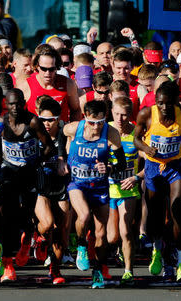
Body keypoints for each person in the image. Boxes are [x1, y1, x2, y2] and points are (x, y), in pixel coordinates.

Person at [134, 81, 181, 281]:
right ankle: (157, 250)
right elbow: (136, 138)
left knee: (178, 208)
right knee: (156, 214)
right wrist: (146, 148)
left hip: (175, 166)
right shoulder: (146, 114)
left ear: (176, 102)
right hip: (153, 168)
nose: (164, 107)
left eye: (168, 103)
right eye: (160, 103)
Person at [62, 100, 125, 288]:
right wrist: (60, 157)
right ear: (85, 117)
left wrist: (109, 168)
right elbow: (60, 133)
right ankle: (81, 244)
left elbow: (121, 163)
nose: (96, 127)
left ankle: (97, 271)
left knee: (101, 232)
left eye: (100, 122)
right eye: (92, 122)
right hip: (77, 183)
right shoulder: (74, 128)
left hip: (99, 186)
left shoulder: (111, 133)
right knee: (84, 215)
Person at [0, 88, 53, 282]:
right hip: (9, 173)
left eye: (18, 103)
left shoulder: (32, 121)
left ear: (24, 103)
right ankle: (7, 264)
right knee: (7, 217)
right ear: (6, 104)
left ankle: (30, 236)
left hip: (30, 172)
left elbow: (49, 146)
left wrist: (37, 161)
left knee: (29, 215)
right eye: (11, 104)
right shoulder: (1, 123)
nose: (15, 107)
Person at [106, 96, 142, 284]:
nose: (120, 119)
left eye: (125, 115)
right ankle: (118, 250)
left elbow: (150, 162)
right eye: (117, 114)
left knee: (125, 231)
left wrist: (136, 177)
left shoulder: (136, 133)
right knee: (112, 237)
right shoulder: (105, 130)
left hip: (128, 190)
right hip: (109, 189)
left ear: (131, 115)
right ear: (111, 112)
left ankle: (129, 270)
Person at [34, 97, 70, 284]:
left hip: (60, 186)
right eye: (43, 120)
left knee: (61, 233)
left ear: (59, 119)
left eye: (51, 120)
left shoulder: (66, 134)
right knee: (48, 224)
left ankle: (55, 270)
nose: (47, 124)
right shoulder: (34, 134)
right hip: (41, 186)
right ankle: (38, 236)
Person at [19, 44, 81, 122]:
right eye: (44, 69)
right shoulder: (25, 86)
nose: (47, 73)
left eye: (51, 69)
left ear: (57, 67)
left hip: (60, 132)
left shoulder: (68, 84)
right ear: (37, 66)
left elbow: (76, 110)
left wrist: (71, 130)